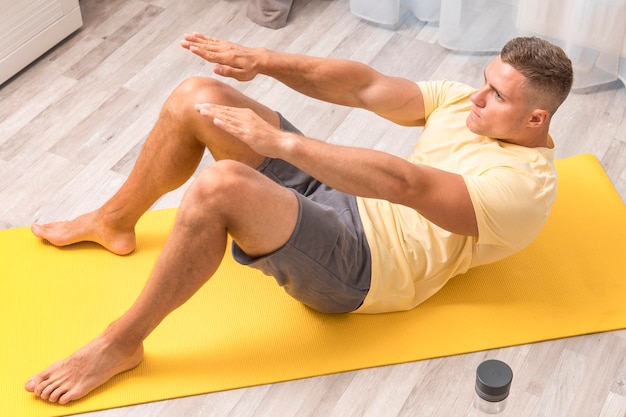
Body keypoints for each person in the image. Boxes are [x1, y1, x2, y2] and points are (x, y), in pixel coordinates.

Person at [24, 33, 573, 404]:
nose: (475, 97)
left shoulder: (522, 190)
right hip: (341, 191)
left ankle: (121, 342)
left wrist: (281, 142)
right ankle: (113, 219)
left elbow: (404, 185)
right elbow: (363, 85)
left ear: (535, 118)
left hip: (367, 263)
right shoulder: (472, 108)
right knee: (198, 95)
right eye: (483, 80)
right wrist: (264, 61)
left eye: (495, 94)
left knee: (220, 187)